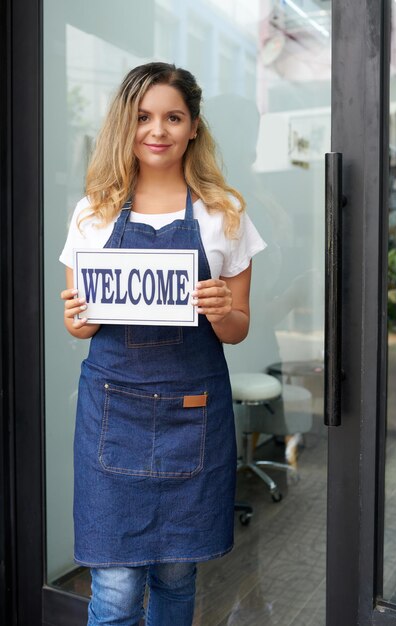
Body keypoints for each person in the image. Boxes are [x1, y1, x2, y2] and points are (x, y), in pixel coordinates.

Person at [60, 62, 266, 626]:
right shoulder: (93, 213)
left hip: (191, 414)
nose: (158, 130)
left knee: (176, 574)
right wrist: (75, 316)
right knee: (117, 586)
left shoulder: (224, 213)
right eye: (144, 117)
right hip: (112, 415)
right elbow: (80, 326)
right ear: (124, 126)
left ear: (193, 126)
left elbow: (238, 327)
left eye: (173, 117)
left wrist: (224, 310)